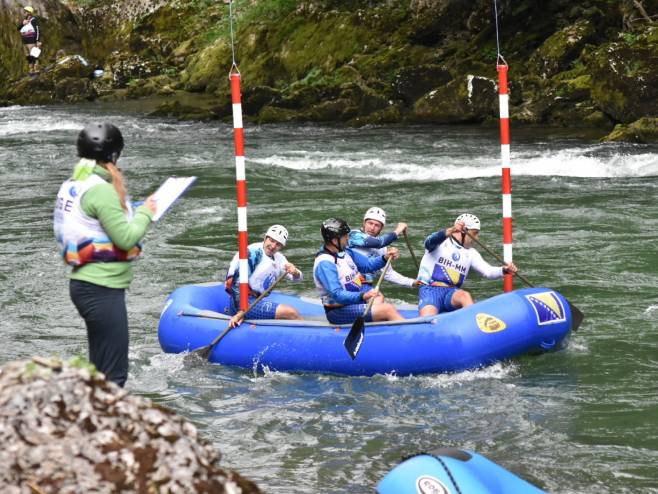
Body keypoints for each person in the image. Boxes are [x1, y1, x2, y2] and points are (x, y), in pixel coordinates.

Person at [54, 123, 156, 387]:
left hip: (85, 284)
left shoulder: (75, 183)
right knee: (114, 377)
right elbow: (126, 238)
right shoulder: (101, 190)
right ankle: (102, 427)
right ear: (114, 155)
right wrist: (147, 211)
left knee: (99, 375)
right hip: (102, 288)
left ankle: (86, 424)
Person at [417, 213, 518, 317]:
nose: (477, 238)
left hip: (451, 293)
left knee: (465, 295)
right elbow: (429, 242)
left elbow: (488, 272)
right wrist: (452, 229)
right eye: (475, 233)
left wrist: (504, 270)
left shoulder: (471, 253)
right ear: (463, 231)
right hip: (429, 290)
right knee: (427, 318)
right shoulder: (440, 242)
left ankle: (475, 324)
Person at [313, 218, 404, 325]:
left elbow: (367, 266)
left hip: (354, 301)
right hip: (339, 311)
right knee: (388, 309)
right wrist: (363, 296)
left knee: (377, 296)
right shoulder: (325, 263)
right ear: (334, 240)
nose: (348, 238)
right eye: (345, 236)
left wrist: (385, 257)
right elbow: (337, 295)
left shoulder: (345, 252)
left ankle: (372, 324)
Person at [225, 225, 303, 328]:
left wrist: (295, 272)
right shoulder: (253, 253)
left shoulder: (279, 258)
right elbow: (233, 282)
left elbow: (298, 279)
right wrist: (241, 311)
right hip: (242, 302)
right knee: (291, 312)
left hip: (255, 300)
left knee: (289, 313)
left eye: (278, 244)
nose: (273, 246)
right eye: (271, 240)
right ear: (265, 238)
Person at [348, 206, 421, 290]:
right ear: (364, 223)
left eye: (377, 225)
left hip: (366, 286)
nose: (372, 228)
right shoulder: (353, 235)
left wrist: (412, 282)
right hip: (349, 283)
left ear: (381, 228)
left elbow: (388, 274)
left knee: (380, 299)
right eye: (370, 223)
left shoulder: (383, 248)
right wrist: (398, 230)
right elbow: (379, 243)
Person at [17, 6, 41, 75]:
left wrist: (38, 40)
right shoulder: (24, 21)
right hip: (24, 42)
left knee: (34, 55)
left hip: (31, 41)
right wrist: (23, 24)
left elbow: (38, 30)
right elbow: (18, 28)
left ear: (29, 13)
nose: (24, 13)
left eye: (25, 11)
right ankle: (31, 69)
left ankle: (36, 69)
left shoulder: (34, 20)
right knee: (28, 56)